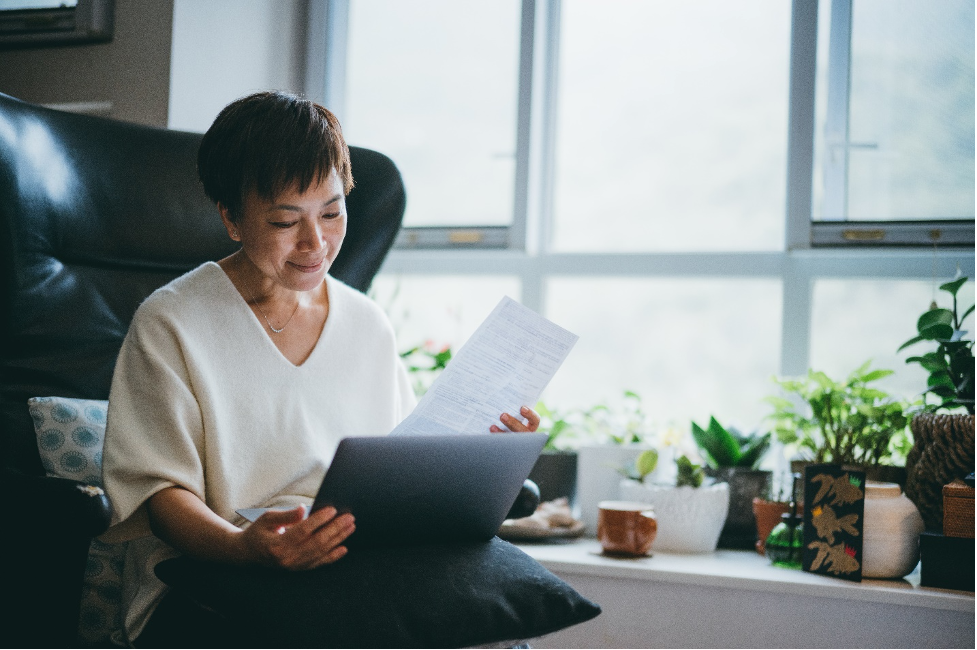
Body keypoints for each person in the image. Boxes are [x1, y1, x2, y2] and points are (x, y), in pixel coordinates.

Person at [101, 91, 540, 647]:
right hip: (211, 577)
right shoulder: (171, 322)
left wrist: (484, 453)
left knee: (497, 622)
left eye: (332, 213)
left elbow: (402, 471)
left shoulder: (367, 323)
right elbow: (160, 494)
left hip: (356, 566)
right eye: (287, 221)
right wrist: (243, 548)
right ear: (232, 218)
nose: (316, 243)